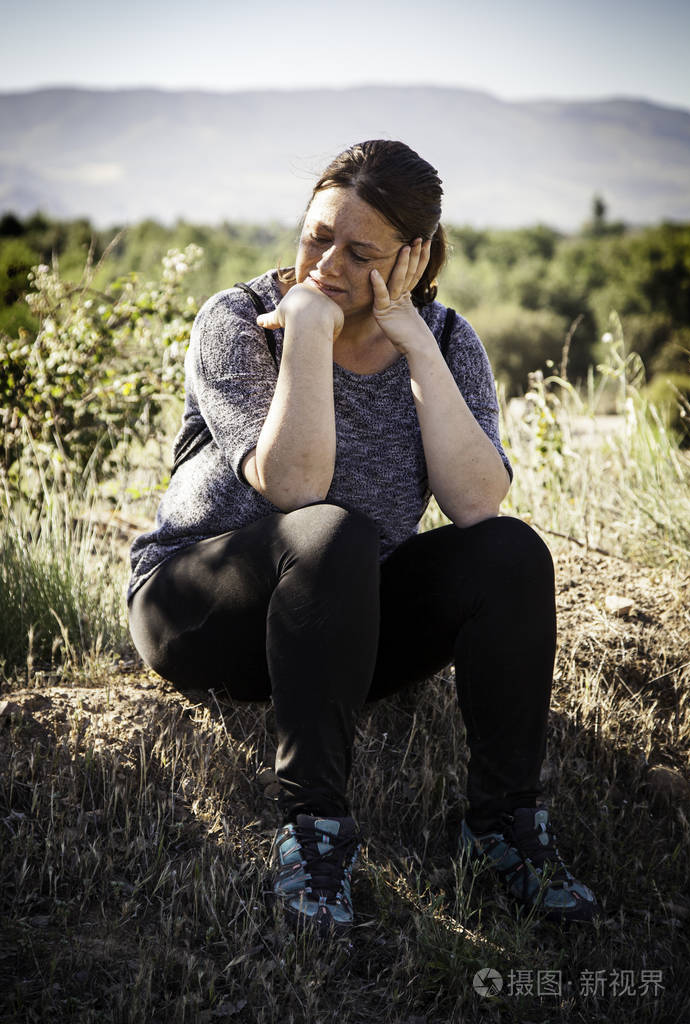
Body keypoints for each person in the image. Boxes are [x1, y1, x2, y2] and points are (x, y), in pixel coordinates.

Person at [127, 139, 597, 935]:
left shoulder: (446, 340)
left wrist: (413, 341)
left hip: (340, 629)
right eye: (317, 237)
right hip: (200, 609)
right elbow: (295, 488)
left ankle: (504, 828)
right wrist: (310, 331)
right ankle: (313, 833)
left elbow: (477, 501)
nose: (325, 265)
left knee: (512, 552)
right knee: (330, 531)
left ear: (414, 257)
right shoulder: (239, 320)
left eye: (359, 253)